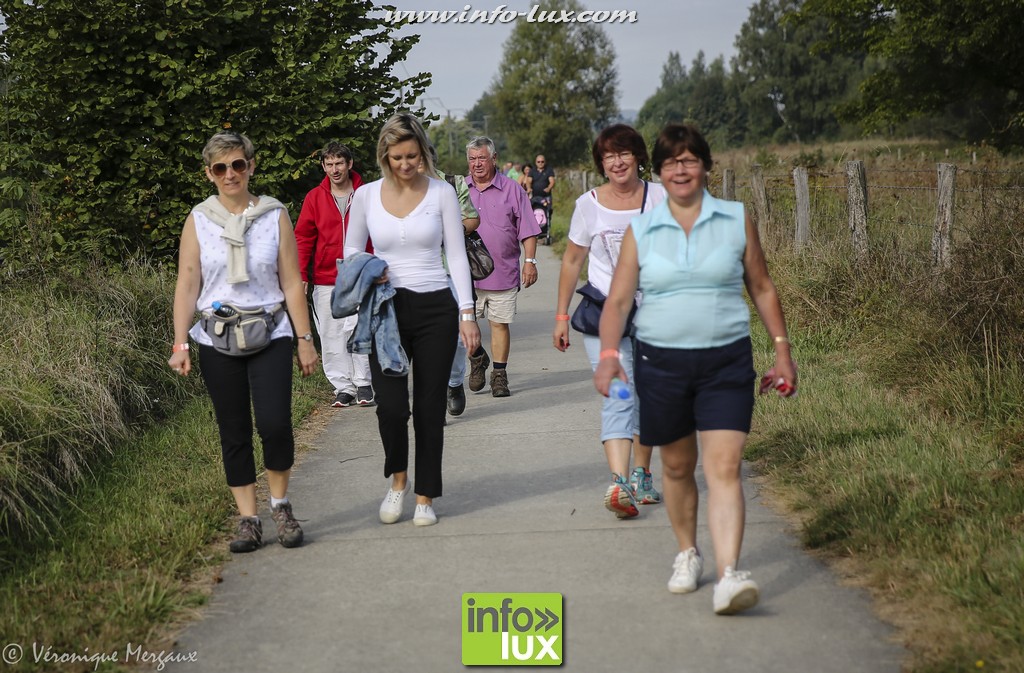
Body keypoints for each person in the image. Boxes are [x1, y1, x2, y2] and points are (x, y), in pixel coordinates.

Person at [593, 123, 797, 615]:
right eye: (670, 163)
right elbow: (618, 301)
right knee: (679, 467)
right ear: (658, 172)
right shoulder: (643, 230)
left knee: (724, 467)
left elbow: (762, 287)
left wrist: (782, 350)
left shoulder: (735, 219)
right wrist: (607, 356)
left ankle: (731, 573)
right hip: (660, 362)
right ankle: (688, 553)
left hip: (725, 359)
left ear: (706, 166)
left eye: (689, 160)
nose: (680, 170)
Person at [168, 131, 319, 553]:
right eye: (221, 167)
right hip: (217, 338)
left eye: (237, 164)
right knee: (232, 429)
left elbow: (291, 282)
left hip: (270, 331)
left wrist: (304, 339)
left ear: (251, 166)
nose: (230, 173)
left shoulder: (274, 215)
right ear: (209, 174)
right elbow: (187, 282)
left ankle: (281, 505)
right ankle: (248, 519)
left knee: (274, 423)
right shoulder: (199, 219)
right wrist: (180, 343)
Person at [343, 113, 480, 526]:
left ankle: (425, 496)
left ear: (423, 154)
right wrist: (370, 267)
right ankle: (397, 482)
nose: (406, 165)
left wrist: (467, 313)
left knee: (428, 406)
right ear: (385, 155)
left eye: (413, 157)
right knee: (389, 408)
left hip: (436, 306)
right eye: (398, 157)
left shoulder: (441, 193)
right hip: (385, 311)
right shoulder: (365, 196)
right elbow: (350, 253)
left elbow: (456, 255)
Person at [553, 124, 665, 520]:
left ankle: (642, 473)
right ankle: (619, 483)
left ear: (638, 156)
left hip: (654, 312)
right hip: (604, 312)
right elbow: (572, 260)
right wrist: (562, 315)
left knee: (648, 397)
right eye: (608, 156)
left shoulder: (660, 198)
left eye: (624, 153)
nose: (617, 162)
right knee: (619, 392)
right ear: (601, 163)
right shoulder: (589, 204)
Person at [293, 141, 375, 408]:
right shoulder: (314, 198)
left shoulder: (367, 194)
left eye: (339, 163)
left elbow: (378, 233)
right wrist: (302, 275)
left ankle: (364, 383)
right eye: (329, 164)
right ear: (323, 167)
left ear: (349, 164)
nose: (334, 169)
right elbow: (304, 237)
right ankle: (343, 386)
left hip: (360, 273)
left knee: (359, 328)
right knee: (331, 332)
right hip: (326, 276)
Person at [464, 136, 541, 397]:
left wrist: (529, 262)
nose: (476, 164)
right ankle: (477, 359)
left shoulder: (512, 189)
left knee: (499, 323)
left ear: (494, 159)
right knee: (462, 324)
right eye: (472, 159)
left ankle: (499, 374)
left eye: (481, 158)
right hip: (466, 275)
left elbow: (529, 230)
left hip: (503, 270)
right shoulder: (458, 190)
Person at [421, 144, 481, 417]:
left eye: (420, 161)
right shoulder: (401, 191)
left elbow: (472, 218)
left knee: (458, 337)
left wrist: (454, 229)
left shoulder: (450, 184)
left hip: (451, 268)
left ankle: (454, 383)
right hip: (420, 272)